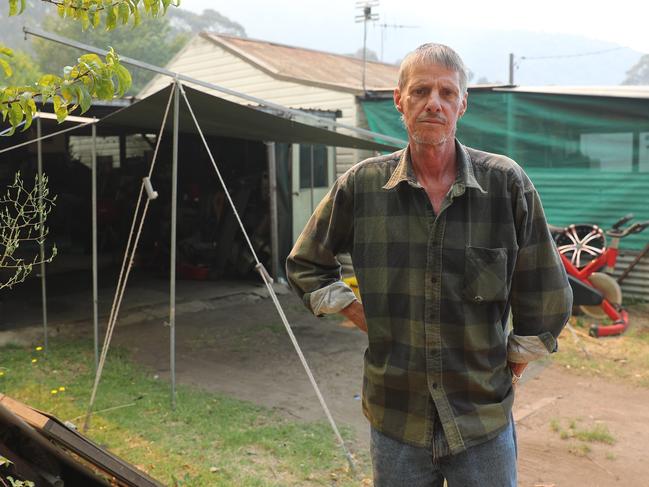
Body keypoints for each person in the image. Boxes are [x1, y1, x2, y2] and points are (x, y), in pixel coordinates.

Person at [286, 43, 572, 486]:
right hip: (396, 420)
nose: (433, 103)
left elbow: (545, 290)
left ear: (463, 103)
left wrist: (513, 362)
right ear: (400, 100)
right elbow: (306, 263)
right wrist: (355, 309)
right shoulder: (362, 187)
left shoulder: (506, 185)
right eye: (420, 91)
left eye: (445, 92)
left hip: (481, 421)